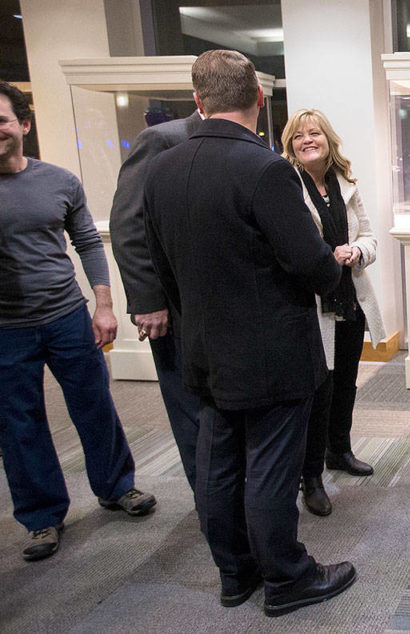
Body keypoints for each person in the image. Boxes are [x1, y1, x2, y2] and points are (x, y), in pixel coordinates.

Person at [143, 50, 356, 616]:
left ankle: (235, 575)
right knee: (269, 467)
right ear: (260, 99)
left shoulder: (159, 168)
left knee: (217, 466)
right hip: (273, 354)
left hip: (204, 348)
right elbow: (312, 265)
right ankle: (287, 580)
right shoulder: (266, 169)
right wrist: (334, 266)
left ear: (198, 100)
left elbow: (160, 267)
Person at [0, 79, 157, 563]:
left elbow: (88, 242)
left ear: (22, 124)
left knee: (93, 404)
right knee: (19, 423)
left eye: (2, 120)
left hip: (66, 315)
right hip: (6, 329)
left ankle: (116, 486)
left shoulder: (59, 181)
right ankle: (42, 516)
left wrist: (104, 305)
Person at [280, 108, 387, 516]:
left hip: (350, 299)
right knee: (318, 393)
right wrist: (326, 256)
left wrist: (357, 251)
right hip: (313, 306)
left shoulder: (346, 184)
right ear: (290, 145)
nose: (307, 140)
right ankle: (311, 477)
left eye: (314, 134)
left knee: (345, 384)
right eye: (298, 136)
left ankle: (338, 451)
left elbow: (371, 237)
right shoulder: (287, 185)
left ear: (328, 141)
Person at [110, 109, 203, 494]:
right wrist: (148, 300)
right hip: (175, 310)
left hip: (221, 307)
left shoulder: (243, 141)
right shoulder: (162, 140)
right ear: (200, 96)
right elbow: (128, 224)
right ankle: (212, 508)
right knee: (191, 414)